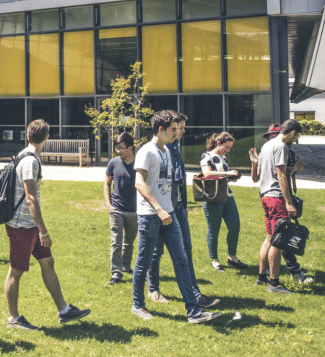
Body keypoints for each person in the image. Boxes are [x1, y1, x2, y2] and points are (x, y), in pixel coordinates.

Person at [132, 111, 221, 324]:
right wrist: (158, 208)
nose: (176, 133)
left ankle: (194, 311)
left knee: (181, 259)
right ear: (161, 130)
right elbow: (139, 182)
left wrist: (171, 208)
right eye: (173, 129)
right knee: (143, 261)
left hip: (169, 214)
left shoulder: (167, 151)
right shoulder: (147, 151)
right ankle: (137, 304)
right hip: (150, 216)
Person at [4, 119, 91, 330]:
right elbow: (30, 198)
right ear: (47, 137)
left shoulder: (29, 157)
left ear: (27, 135)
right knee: (15, 271)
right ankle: (13, 319)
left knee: (47, 262)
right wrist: (43, 230)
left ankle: (64, 310)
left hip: (29, 224)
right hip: (22, 226)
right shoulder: (30, 161)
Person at [250, 123, 313, 284]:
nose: (296, 139)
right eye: (297, 136)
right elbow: (280, 175)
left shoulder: (266, 146)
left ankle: (261, 277)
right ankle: (274, 282)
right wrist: (288, 202)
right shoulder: (281, 147)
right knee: (278, 241)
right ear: (292, 132)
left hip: (265, 196)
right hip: (276, 197)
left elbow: (259, 175)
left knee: (270, 238)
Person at [200, 132, 246, 272]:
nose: (228, 150)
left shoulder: (223, 158)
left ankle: (232, 257)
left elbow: (224, 177)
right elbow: (207, 174)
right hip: (213, 197)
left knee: (235, 226)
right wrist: (228, 174)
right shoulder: (207, 156)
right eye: (226, 147)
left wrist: (233, 176)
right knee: (214, 229)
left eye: (230, 147)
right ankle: (214, 259)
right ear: (218, 143)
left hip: (227, 195)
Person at [104, 132, 138, 285]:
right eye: (117, 148)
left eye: (121, 148)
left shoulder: (139, 165)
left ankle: (125, 265)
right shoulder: (113, 163)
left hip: (135, 210)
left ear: (130, 148)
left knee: (128, 242)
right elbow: (106, 184)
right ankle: (116, 273)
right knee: (115, 242)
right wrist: (109, 205)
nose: (118, 151)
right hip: (116, 209)